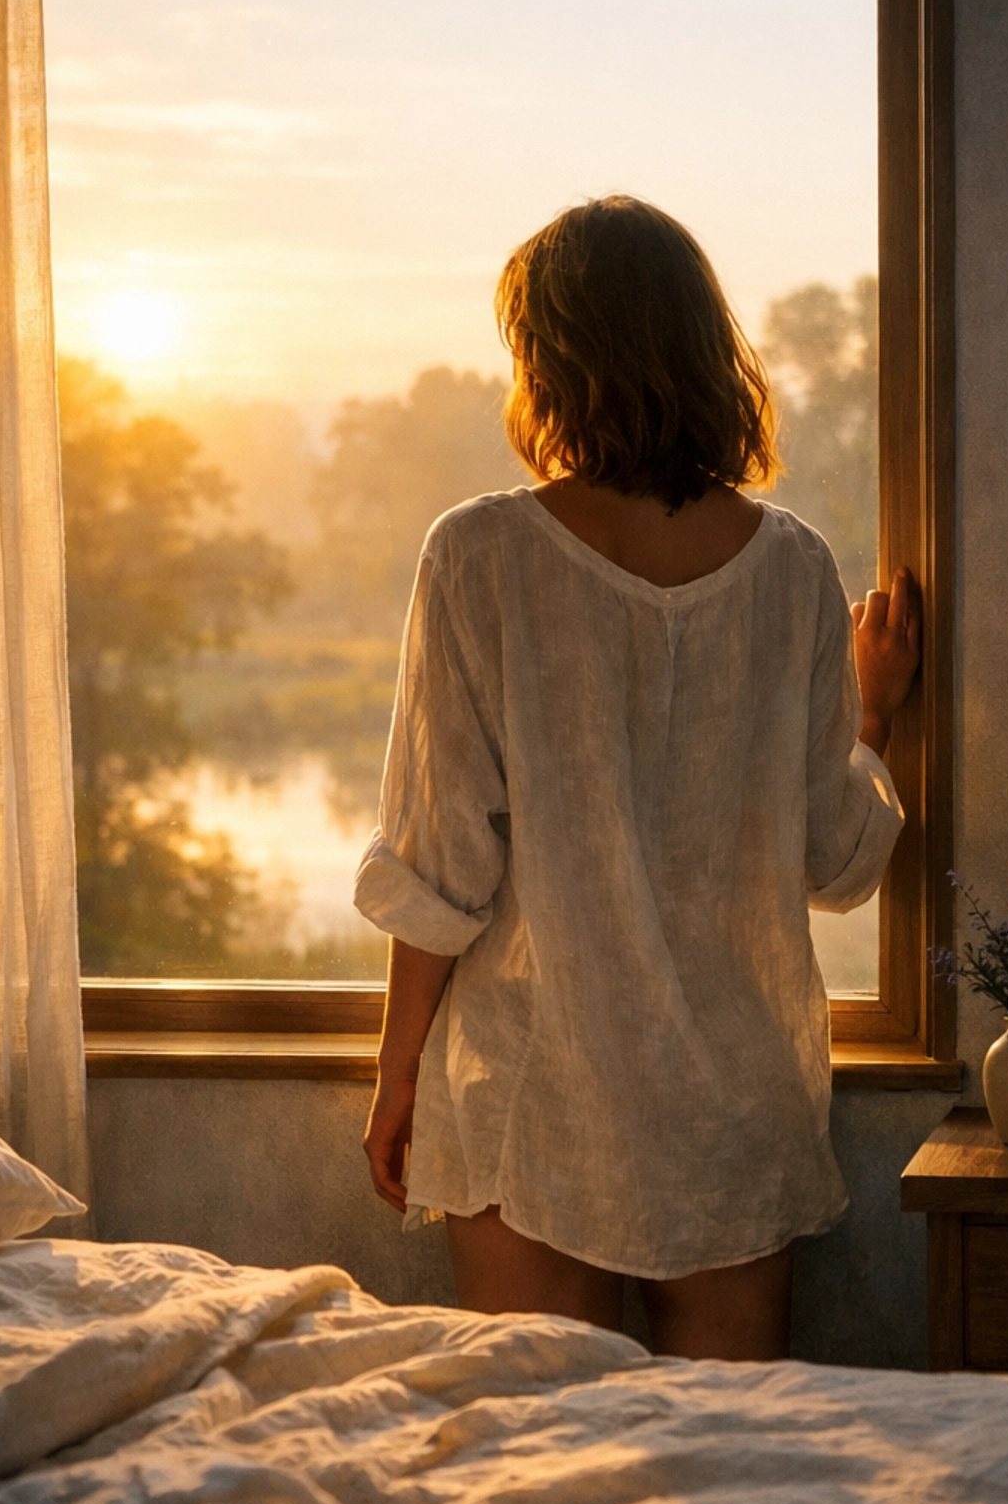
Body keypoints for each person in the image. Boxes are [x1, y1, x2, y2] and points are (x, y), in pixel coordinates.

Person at [354, 196, 921, 1360]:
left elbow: (442, 864)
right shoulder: (796, 569)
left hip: (534, 1089)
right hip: (734, 1101)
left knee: (545, 1485)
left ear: (549, 358)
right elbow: (829, 859)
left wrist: (396, 1071)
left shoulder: (479, 555)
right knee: (731, 1489)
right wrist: (871, 712)